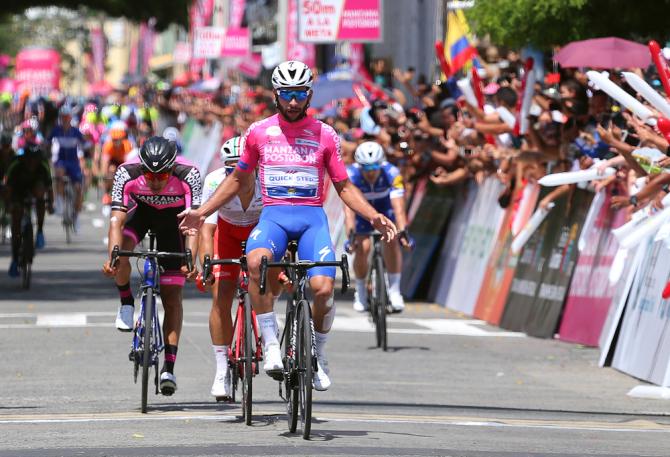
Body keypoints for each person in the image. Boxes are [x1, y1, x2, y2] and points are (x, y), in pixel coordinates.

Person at [179, 60, 397, 391]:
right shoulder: (258, 132)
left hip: (312, 221)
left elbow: (345, 186)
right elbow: (237, 178)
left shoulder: (326, 134)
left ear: (308, 95)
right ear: (276, 95)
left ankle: (319, 355)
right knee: (255, 263)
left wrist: (373, 215)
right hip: (274, 218)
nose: (292, 101)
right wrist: (202, 211)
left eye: (298, 94)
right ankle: (269, 343)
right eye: (285, 94)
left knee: (323, 290)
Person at [101, 137, 201, 396]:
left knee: (172, 297)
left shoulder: (189, 173)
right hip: (141, 214)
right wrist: (114, 256)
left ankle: (169, 367)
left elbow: (193, 224)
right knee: (121, 251)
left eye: (163, 175)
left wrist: (190, 259)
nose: (156, 181)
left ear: (173, 167)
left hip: (175, 223)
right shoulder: (127, 171)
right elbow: (116, 220)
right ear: (141, 167)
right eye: (150, 174)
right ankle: (125, 303)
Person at [198, 136, 264, 400]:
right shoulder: (215, 181)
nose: (236, 172)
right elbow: (207, 227)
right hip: (225, 233)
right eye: (230, 168)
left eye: (242, 166)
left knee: (271, 280)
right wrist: (206, 262)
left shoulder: (266, 179)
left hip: (258, 231)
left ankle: (269, 327)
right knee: (221, 296)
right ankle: (221, 368)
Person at [344, 141, 412, 313]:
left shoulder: (392, 172)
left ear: (381, 164)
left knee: (392, 239)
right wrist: (351, 236)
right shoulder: (350, 175)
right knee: (362, 247)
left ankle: (395, 291)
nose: (371, 172)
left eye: (375, 167)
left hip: (384, 208)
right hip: (363, 211)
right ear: (359, 166)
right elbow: (349, 211)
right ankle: (360, 291)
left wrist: (402, 230)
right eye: (366, 169)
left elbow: (398, 207)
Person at [5, 144, 54, 276]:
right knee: (16, 217)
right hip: (17, 191)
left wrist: (50, 204)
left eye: (35, 160)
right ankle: (15, 258)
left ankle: (39, 231)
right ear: (24, 159)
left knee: (40, 194)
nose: (32, 163)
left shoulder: (43, 166)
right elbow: (8, 189)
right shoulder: (16, 165)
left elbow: (49, 188)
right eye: (29, 160)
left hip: (34, 188)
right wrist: (9, 205)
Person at [50, 106, 86, 229]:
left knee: (78, 188)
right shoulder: (56, 130)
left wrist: (88, 151)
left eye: (67, 117)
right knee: (59, 174)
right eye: (63, 117)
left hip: (73, 163)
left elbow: (85, 144)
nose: (65, 119)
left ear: (70, 118)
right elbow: (46, 142)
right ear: (60, 118)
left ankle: (76, 216)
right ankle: (59, 201)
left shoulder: (76, 132)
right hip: (61, 161)